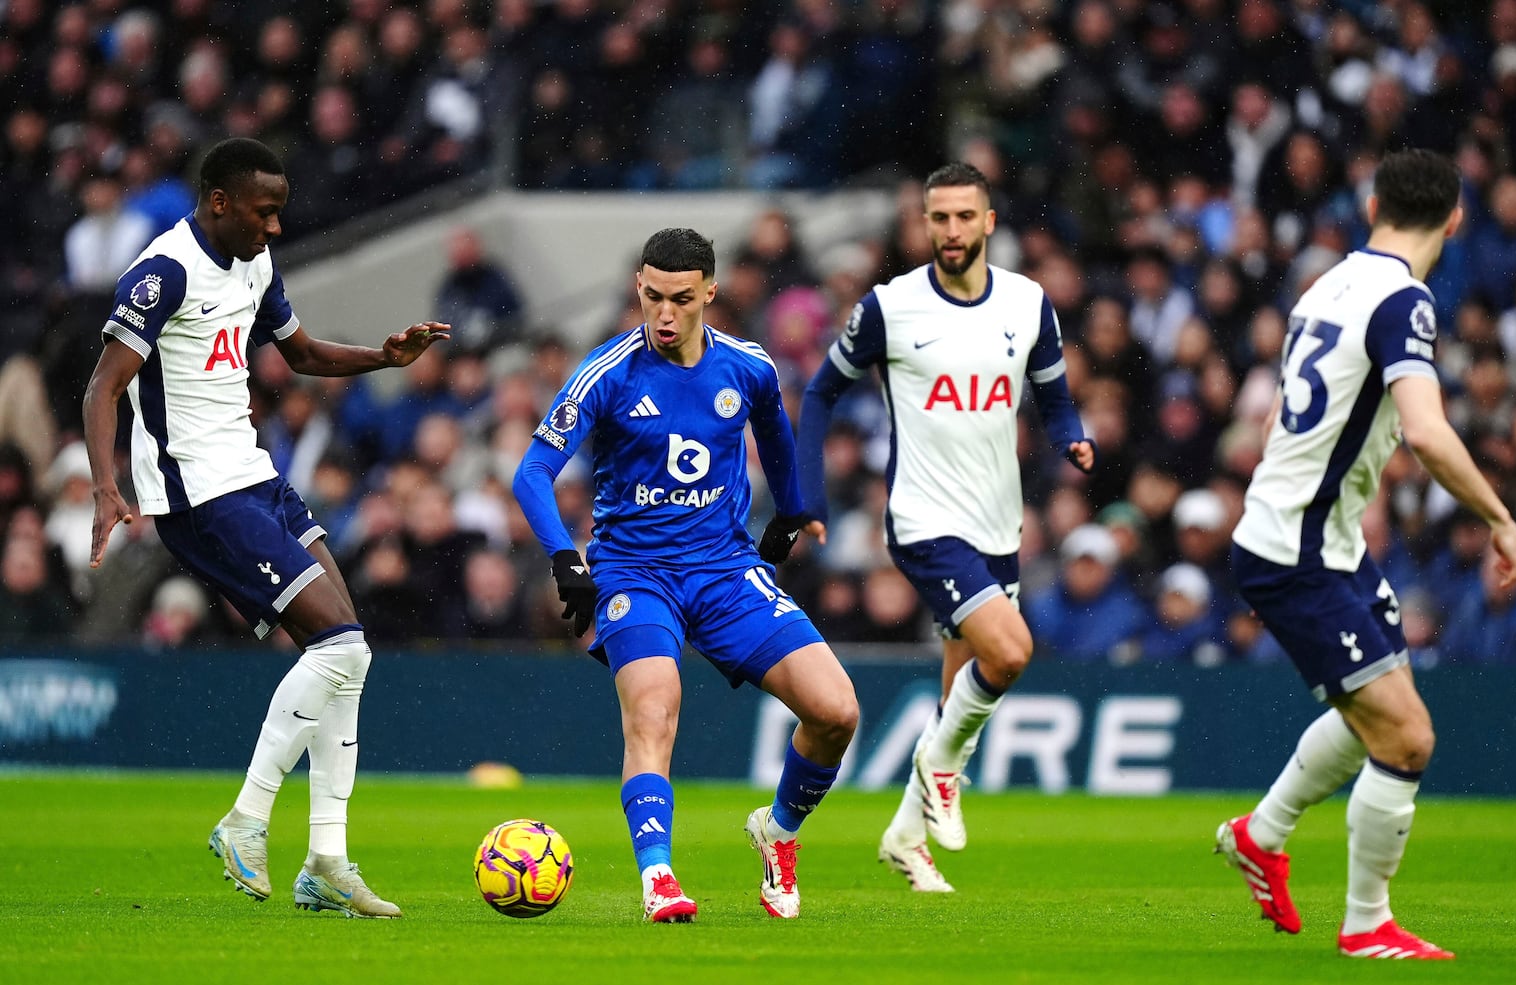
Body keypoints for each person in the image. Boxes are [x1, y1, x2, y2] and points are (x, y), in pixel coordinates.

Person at [82, 138, 451, 919]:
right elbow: (103, 384)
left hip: (254, 476)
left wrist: (385, 359)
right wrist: (107, 485)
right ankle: (247, 818)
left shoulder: (253, 264)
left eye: (279, 211)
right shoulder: (164, 272)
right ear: (219, 200)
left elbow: (303, 353)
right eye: (265, 211)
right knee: (341, 646)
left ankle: (326, 861)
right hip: (197, 495)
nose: (275, 227)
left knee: (350, 651)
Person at [1217, 148, 1516, 960]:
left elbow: (1280, 417)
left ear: (1370, 208)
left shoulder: (1328, 283)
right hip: (1299, 552)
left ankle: (1263, 832)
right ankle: (1366, 924)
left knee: (1374, 722)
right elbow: (1424, 429)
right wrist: (1500, 517)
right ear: (1456, 219)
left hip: (1319, 538)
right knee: (1407, 737)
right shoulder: (1405, 300)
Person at [510, 227, 858, 923]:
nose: (663, 315)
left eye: (679, 299)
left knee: (836, 710)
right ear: (638, 289)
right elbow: (532, 474)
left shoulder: (748, 368)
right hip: (634, 572)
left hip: (727, 571)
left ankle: (778, 833)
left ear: (709, 294)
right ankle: (659, 877)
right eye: (650, 297)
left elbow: (776, 436)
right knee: (653, 708)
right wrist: (564, 558)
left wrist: (791, 511)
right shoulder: (607, 372)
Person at [797, 162, 1095, 892]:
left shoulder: (1029, 304)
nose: (952, 231)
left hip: (998, 523)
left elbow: (1052, 397)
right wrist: (809, 496)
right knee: (1012, 652)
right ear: (923, 225)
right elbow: (817, 394)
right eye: (939, 219)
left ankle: (906, 835)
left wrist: (1074, 435)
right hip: (925, 519)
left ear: (989, 222)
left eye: (965, 217)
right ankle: (938, 768)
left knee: (965, 682)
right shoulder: (890, 308)